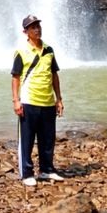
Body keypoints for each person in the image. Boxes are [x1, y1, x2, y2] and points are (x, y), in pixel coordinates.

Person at [11, 15, 64, 186]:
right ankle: (27, 173)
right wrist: (16, 101)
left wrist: (59, 99)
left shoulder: (49, 50)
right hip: (29, 101)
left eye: (38, 26)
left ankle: (47, 170)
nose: (37, 29)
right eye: (32, 27)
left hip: (48, 101)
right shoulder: (21, 51)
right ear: (25, 31)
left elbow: (54, 75)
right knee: (27, 139)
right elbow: (15, 78)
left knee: (48, 139)